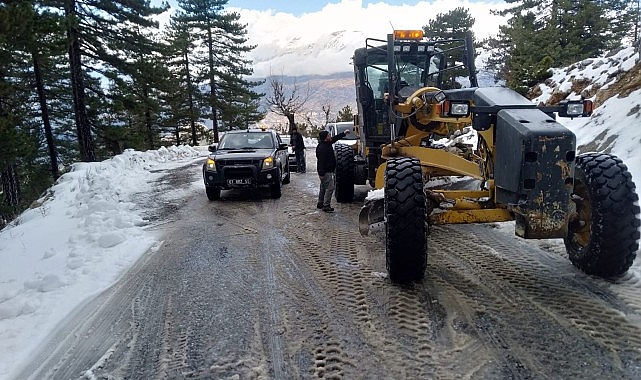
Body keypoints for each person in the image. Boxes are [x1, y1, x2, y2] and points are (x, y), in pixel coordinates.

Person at [315, 128, 349, 212]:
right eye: (329, 135)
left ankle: (320, 202)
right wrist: (321, 173)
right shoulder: (323, 148)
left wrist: (343, 133)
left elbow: (335, 138)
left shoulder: (326, 143)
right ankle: (326, 205)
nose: (330, 136)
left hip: (326, 171)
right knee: (330, 188)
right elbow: (321, 162)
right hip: (326, 171)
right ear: (326, 137)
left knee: (323, 187)